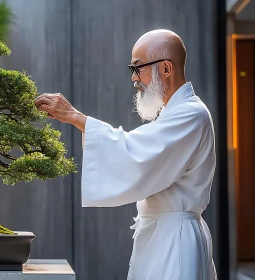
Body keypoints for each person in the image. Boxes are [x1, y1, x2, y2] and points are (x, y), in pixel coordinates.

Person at [35, 29, 217, 280]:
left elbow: (137, 154)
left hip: (176, 241)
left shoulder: (191, 114)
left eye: (138, 68)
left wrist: (76, 117)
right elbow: (140, 151)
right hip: (161, 235)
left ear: (165, 68)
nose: (134, 78)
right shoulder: (177, 113)